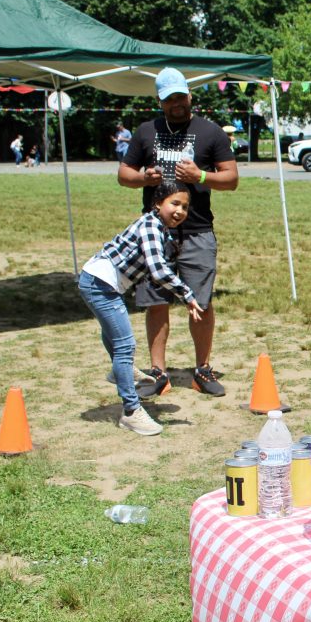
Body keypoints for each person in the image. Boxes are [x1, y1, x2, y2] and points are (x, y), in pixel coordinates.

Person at [117, 67, 238, 399]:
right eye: (170, 99)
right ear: (160, 102)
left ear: (190, 96)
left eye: (181, 97)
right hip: (155, 233)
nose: (177, 104)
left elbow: (231, 178)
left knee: (200, 301)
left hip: (198, 230)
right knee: (155, 301)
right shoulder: (146, 132)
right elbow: (123, 174)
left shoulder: (210, 132)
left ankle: (202, 370)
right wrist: (144, 179)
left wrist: (200, 176)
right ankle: (158, 372)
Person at [78, 182, 205, 436]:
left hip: (97, 282)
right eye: (174, 203)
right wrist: (187, 294)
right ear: (158, 204)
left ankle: (120, 372)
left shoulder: (158, 228)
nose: (180, 211)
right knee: (125, 346)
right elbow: (158, 270)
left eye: (185, 207)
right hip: (99, 284)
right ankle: (131, 411)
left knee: (117, 342)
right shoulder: (150, 226)